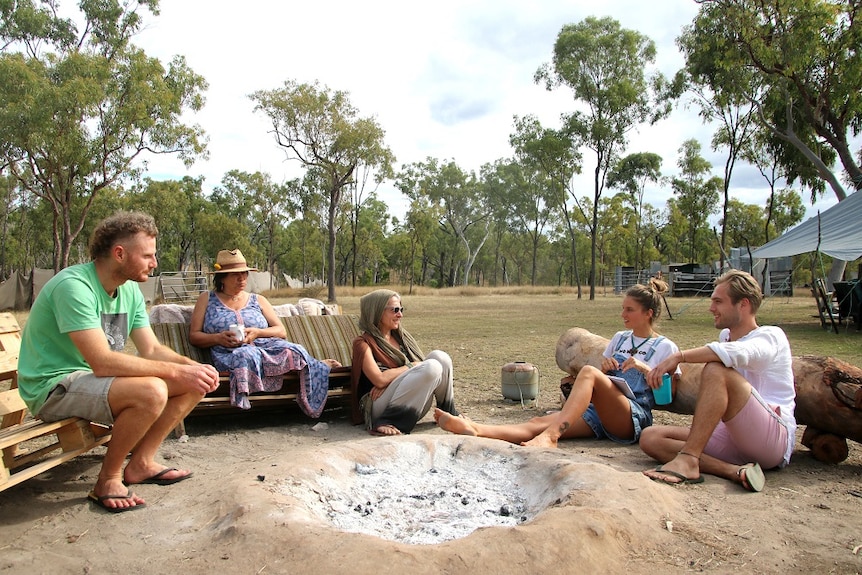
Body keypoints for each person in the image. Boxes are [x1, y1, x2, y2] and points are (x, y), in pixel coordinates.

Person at [17, 212, 221, 513]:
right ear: (120, 253)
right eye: (148, 256)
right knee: (152, 391)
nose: (154, 263)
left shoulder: (129, 291)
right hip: (53, 387)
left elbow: (151, 349)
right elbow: (102, 362)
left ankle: (140, 463)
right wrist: (177, 370)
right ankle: (108, 480)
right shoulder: (74, 287)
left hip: (91, 382)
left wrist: (192, 368)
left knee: (194, 382)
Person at [435, 279, 680, 448]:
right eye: (623, 308)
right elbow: (606, 377)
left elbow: (668, 397)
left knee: (588, 373)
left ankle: (552, 437)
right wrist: (607, 367)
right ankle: (476, 429)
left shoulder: (665, 347)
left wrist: (645, 369)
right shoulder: (620, 338)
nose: (623, 314)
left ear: (648, 313)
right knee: (537, 423)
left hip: (632, 416)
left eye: (630, 309)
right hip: (600, 412)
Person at [640, 269, 796, 492]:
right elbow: (726, 350)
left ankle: (689, 459)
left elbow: (739, 353)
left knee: (716, 369)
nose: (711, 308)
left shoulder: (771, 336)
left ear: (743, 305)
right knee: (650, 437)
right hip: (733, 436)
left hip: (770, 438)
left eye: (718, 302)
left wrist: (678, 356)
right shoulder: (725, 337)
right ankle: (733, 471)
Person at [189, 249, 340, 417]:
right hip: (230, 352)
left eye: (245, 274)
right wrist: (217, 338)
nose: (242, 279)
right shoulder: (207, 299)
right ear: (221, 278)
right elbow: (194, 336)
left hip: (265, 347)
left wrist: (258, 332)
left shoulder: (257, 300)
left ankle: (317, 366)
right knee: (244, 355)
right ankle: (243, 398)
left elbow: (280, 331)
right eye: (235, 275)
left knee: (294, 350)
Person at [350, 289, 458, 436]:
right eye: (395, 310)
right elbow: (379, 379)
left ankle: (448, 413)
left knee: (440, 358)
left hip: (409, 402)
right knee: (431, 366)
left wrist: (392, 379)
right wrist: (410, 367)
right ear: (376, 311)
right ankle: (387, 422)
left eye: (401, 309)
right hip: (378, 405)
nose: (400, 315)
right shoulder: (363, 343)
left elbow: (416, 366)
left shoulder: (401, 337)